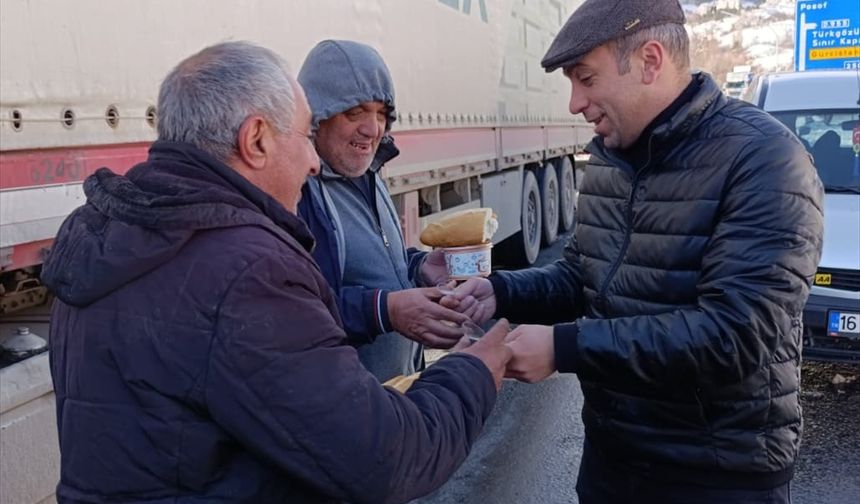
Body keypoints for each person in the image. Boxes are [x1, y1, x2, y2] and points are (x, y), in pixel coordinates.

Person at [42, 41, 512, 503]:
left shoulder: (106, 235)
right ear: (257, 140)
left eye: (381, 113)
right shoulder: (249, 271)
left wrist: (410, 268)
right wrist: (472, 372)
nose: (312, 162)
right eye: (306, 135)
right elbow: (383, 458)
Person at [448, 1, 824, 502]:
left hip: (715, 476)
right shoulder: (609, 160)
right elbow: (582, 277)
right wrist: (497, 292)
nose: (574, 104)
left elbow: (736, 335)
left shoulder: (764, 160)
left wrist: (565, 348)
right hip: (613, 460)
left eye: (586, 78)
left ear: (649, 61)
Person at [297, 40, 465, 382]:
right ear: (317, 116)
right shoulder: (300, 193)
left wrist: (417, 266)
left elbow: (371, 265)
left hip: (395, 396)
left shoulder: (367, 171)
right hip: (348, 409)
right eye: (354, 112)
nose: (373, 129)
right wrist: (386, 311)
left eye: (381, 113)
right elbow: (300, 311)